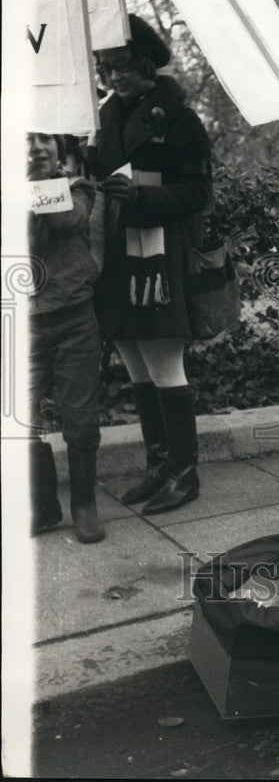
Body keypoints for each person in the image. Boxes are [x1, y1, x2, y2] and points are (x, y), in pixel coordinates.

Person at [93, 15, 212, 515]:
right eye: (106, 67)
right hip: (116, 252)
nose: (114, 75)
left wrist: (141, 196)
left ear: (145, 62)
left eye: (122, 64)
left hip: (158, 254)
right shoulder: (102, 116)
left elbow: (198, 192)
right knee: (135, 361)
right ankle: (158, 465)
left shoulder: (180, 118)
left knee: (164, 363)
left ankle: (184, 473)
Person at [28, 133, 105, 543]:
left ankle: (84, 506)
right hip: (23, 322)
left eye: (44, 139)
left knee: (80, 418)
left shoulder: (78, 187)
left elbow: (65, 220)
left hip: (74, 319)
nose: (36, 147)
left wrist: (32, 184)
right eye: (26, 139)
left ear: (59, 147)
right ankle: (42, 506)